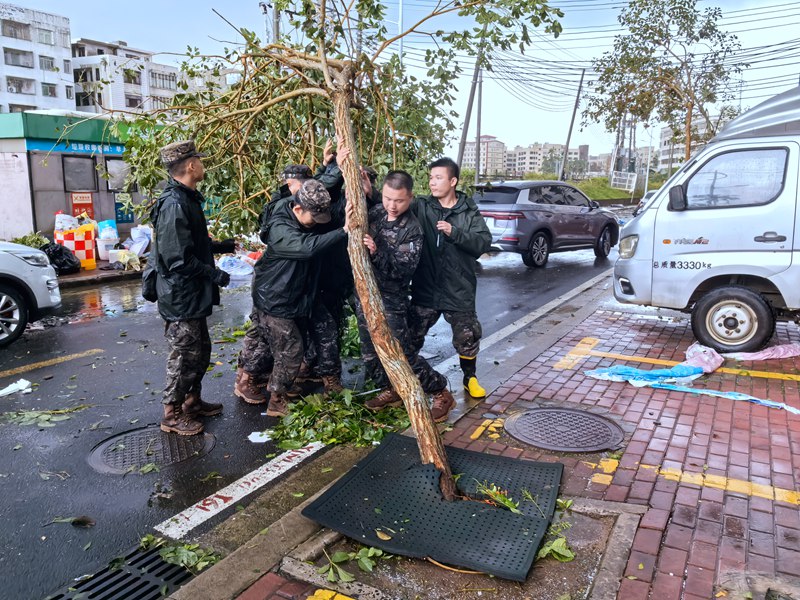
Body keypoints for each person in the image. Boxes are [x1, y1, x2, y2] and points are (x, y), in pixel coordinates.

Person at [236, 179, 349, 417]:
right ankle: (276, 397)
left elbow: (320, 184)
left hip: (302, 293)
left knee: (325, 330)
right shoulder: (280, 227)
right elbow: (305, 248)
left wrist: (336, 165)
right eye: (313, 219)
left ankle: (323, 380)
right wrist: (343, 231)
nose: (317, 225)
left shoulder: (303, 208)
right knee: (289, 348)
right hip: (277, 298)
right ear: (298, 209)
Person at [355, 170, 456, 422]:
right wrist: (367, 194)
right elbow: (365, 209)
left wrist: (376, 252)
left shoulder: (412, 230)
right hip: (365, 293)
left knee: (403, 354)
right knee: (371, 353)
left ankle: (440, 391)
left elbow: (401, 272)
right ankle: (391, 389)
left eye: (399, 200)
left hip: (391, 300)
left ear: (410, 198)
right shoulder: (377, 211)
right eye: (388, 198)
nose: (392, 205)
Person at [151, 140, 232, 436]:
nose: (202, 164)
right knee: (183, 355)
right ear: (189, 166)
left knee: (200, 352)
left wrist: (222, 246)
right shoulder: (174, 204)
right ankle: (171, 414)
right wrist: (214, 274)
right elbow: (177, 259)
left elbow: (192, 243)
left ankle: (192, 402)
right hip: (181, 296)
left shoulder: (187, 198)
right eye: (200, 160)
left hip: (192, 296)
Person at [407, 157, 492, 398]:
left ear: (453, 181)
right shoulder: (422, 206)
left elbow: (483, 242)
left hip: (459, 288)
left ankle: (470, 378)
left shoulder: (468, 211)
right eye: (431, 178)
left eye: (438, 178)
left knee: (468, 336)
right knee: (410, 336)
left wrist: (455, 232)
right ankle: (410, 380)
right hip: (426, 288)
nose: (432, 182)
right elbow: (396, 205)